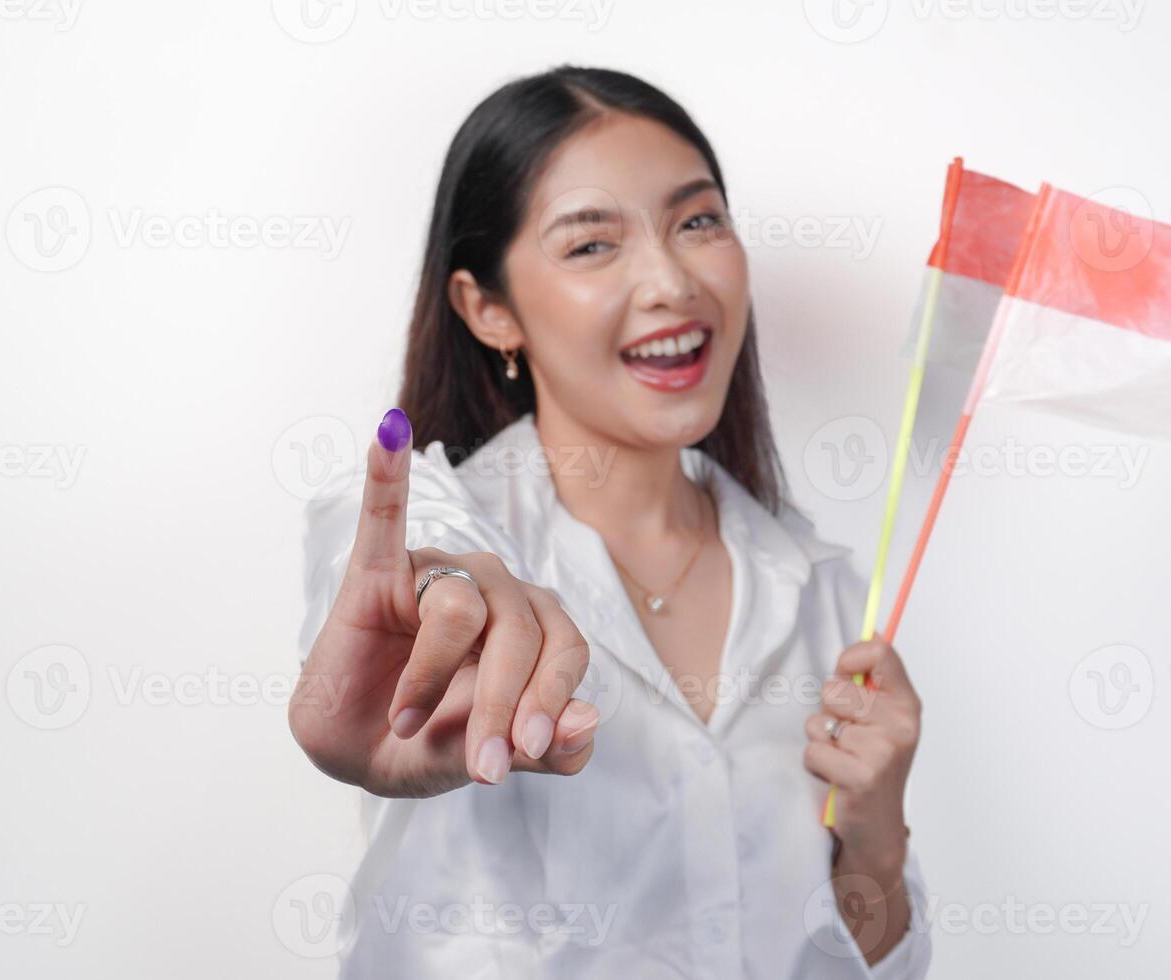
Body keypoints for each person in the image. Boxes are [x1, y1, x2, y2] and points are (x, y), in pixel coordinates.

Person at [290, 64, 932, 979]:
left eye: (698, 221)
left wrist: (876, 843)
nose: (672, 281)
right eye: (591, 245)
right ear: (489, 309)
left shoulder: (822, 589)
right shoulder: (446, 521)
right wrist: (447, 587)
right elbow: (392, 564)